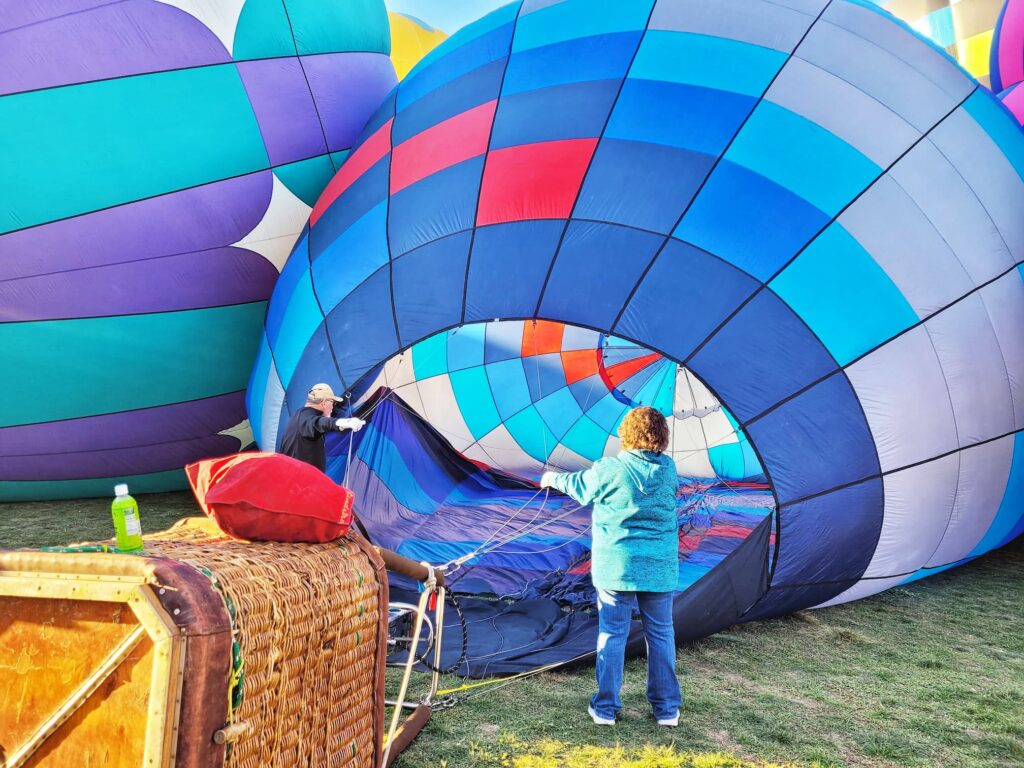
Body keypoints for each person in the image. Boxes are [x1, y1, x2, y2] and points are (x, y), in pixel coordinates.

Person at [541, 406, 681, 727]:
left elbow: (579, 485)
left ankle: (605, 709)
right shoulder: (668, 470)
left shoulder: (610, 468)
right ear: (661, 435)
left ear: (626, 434)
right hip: (659, 569)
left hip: (617, 568)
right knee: (660, 635)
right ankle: (667, 710)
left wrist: (551, 478)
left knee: (613, 634)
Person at [279, 383, 365, 473]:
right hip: (300, 483)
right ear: (324, 403)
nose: (333, 407)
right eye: (333, 402)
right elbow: (319, 423)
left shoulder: (298, 416)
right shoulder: (306, 419)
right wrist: (344, 422)